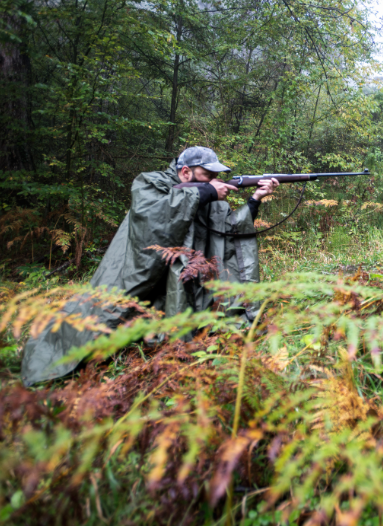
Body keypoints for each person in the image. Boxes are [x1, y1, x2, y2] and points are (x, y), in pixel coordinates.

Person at [20, 147, 278, 386]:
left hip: (187, 283)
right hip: (144, 276)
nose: (213, 180)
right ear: (185, 171)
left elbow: (228, 230)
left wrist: (255, 199)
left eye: (216, 176)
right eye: (206, 174)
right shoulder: (152, 183)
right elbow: (152, 226)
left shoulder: (207, 192)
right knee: (105, 313)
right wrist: (207, 191)